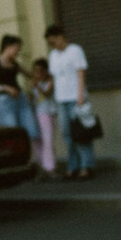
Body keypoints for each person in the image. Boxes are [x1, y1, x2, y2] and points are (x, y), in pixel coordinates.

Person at [46, 22, 96, 179]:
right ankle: (72, 166)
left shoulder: (75, 50)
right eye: (49, 43)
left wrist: (81, 96)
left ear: (61, 37)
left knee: (81, 133)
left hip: (75, 98)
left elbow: (81, 73)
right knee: (67, 134)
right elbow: (54, 78)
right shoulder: (53, 55)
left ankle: (86, 166)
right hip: (61, 99)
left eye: (53, 41)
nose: (52, 45)